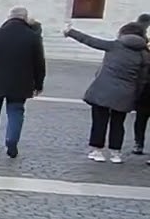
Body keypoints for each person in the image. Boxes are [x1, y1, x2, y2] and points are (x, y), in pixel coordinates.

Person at [62, 21, 150, 164]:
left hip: (103, 89)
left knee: (99, 121)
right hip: (126, 93)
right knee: (118, 123)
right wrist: (135, 95)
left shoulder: (115, 45)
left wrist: (71, 32)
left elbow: (90, 41)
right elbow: (142, 79)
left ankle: (97, 150)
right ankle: (116, 153)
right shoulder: (144, 54)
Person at [0, 7, 46, 158]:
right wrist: (38, 84)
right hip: (21, 83)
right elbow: (39, 64)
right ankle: (12, 140)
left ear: (9, 17)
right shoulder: (33, 38)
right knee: (16, 112)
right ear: (25, 18)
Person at [134, 12, 150, 155]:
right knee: (141, 118)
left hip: (145, 88)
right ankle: (138, 143)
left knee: (141, 118)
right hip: (146, 88)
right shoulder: (144, 43)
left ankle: (138, 143)